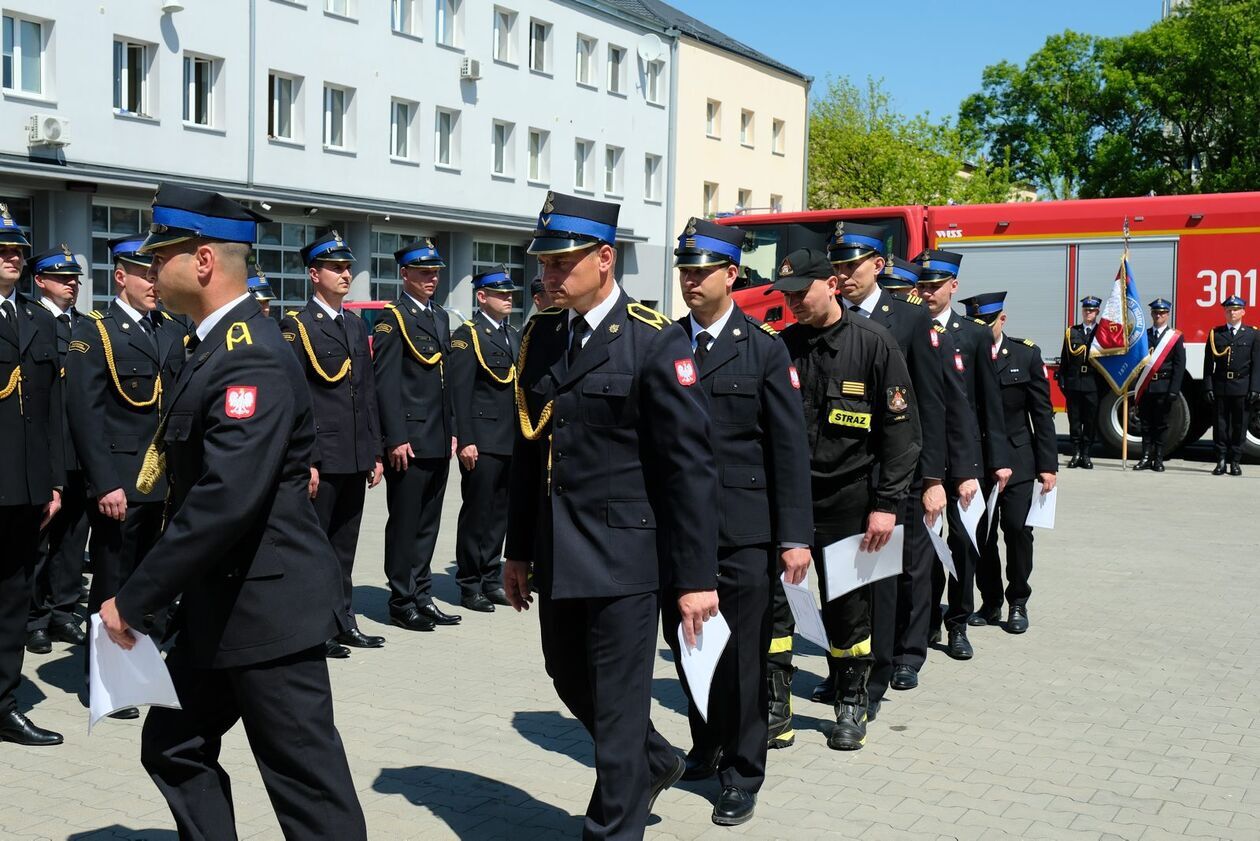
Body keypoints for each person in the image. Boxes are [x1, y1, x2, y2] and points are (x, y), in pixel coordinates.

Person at [99, 183, 366, 840]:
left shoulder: (250, 352)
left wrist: (132, 599)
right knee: (172, 744)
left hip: (270, 614)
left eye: (159, 256)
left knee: (310, 794)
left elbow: (225, 499)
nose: (148, 270)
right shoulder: (209, 345)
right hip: (217, 609)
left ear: (202, 262)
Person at [504, 192, 719, 839]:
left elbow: (689, 470)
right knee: (567, 676)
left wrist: (695, 578)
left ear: (604, 259)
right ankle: (655, 759)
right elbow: (529, 451)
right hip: (559, 553)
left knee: (620, 711)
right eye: (542, 263)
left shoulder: (653, 341)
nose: (545, 276)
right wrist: (518, 548)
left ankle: (613, 825)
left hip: (627, 559)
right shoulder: (540, 336)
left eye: (560, 263)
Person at [662, 218, 811, 826]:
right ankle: (705, 741)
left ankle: (742, 770)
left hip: (744, 529)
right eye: (685, 272)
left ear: (731, 274)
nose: (691, 282)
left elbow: (788, 450)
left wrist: (795, 536)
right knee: (691, 647)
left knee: (745, 658)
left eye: (702, 272)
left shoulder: (764, 348)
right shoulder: (665, 344)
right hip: (678, 529)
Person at [767, 247, 921, 752]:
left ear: (830, 284)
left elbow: (901, 433)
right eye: (786, 295)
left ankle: (851, 703)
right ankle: (775, 708)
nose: (792, 303)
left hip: (851, 498)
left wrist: (887, 504)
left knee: (848, 607)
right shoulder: (781, 346)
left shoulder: (873, 344)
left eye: (800, 293)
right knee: (777, 606)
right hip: (789, 499)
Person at [826, 224, 949, 718]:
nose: (843, 275)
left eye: (851, 265)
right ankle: (844, 671)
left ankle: (885, 670)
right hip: (840, 472)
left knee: (886, 575)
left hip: (896, 468)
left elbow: (930, 403)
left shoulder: (911, 319)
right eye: (837, 266)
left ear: (878, 265)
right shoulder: (831, 316)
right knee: (842, 577)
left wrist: (936, 477)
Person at [65, 235, 188, 717]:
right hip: (122, 482)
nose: (155, 283)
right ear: (121, 277)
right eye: (146, 274)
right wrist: (104, 482)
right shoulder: (97, 331)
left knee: (149, 577)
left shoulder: (170, 329)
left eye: (158, 273)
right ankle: (107, 681)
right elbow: (85, 415)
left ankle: (138, 664)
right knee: (113, 579)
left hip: (163, 481)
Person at [870, 255, 983, 693]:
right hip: (871, 466)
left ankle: (908, 653)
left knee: (916, 567)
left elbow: (944, 407)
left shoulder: (924, 329)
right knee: (873, 566)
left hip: (917, 465)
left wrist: (944, 476)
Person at [280, 231, 385, 658]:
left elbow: (368, 392)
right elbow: (295, 398)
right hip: (322, 455)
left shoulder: (356, 324)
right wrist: (306, 460)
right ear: (314, 274)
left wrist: (375, 450)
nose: (345, 275)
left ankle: (344, 620)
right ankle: (314, 627)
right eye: (336, 268)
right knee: (316, 546)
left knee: (345, 545)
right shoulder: (297, 326)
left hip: (355, 453)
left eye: (347, 268)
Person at [913, 250, 1010, 661]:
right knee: (924, 549)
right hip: (923, 458)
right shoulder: (909, 327)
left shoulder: (972, 335)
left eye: (937, 285)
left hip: (965, 459)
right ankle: (926, 620)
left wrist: (996, 460)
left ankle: (958, 623)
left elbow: (989, 405)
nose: (929, 292)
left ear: (953, 286)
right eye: (924, 285)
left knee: (963, 546)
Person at [0, 208, 65, 747]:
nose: (13, 258)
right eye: (3, 251)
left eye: (18, 250)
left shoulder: (37, 319)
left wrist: (54, 484)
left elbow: (51, 411)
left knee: (13, 599)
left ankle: (3, 703)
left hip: (24, 488)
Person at [373, 239, 461, 631]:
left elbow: (446, 383)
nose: (432, 278)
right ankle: (401, 599)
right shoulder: (394, 318)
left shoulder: (440, 317)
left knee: (428, 524)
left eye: (436, 272)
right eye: (424, 272)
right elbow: (386, 382)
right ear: (404, 274)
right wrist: (394, 437)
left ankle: (422, 595)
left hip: (438, 438)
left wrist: (454, 431)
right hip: (409, 439)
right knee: (405, 523)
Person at [960, 293, 1057, 635]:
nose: (982, 331)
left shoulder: (1024, 354)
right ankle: (991, 601)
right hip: (979, 460)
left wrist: (1048, 465)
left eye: (987, 323)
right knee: (982, 535)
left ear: (1001, 320)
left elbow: (1041, 414)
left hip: (1018, 460)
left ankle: (1018, 599)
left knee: (1017, 530)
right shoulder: (964, 355)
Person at [26, 244, 89, 655]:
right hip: (45, 444)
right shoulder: (30, 322)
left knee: (73, 535)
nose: (71, 285)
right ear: (40, 281)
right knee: (39, 537)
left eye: (74, 279)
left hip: (80, 446)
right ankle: (34, 618)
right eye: (62, 278)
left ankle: (64, 610)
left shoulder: (85, 326)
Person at [448, 265, 520, 612]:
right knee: (477, 514)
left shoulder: (513, 336)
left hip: (509, 440)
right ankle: (468, 582)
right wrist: (464, 439)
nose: (508, 299)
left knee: (499, 516)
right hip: (482, 440)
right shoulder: (468, 335)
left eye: (509, 294)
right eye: (500, 294)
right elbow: (459, 392)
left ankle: (491, 578)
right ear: (482, 297)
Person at [1203, 295, 1260, 476]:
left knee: (1239, 425)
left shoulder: (1253, 334)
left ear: (1243, 311)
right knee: (1220, 426)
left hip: (1242, 387)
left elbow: (1257, 365)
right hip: (1220, 386)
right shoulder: (1216, 334)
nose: (1232, 312)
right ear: (1224, 312)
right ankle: (1220, 460)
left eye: (1235, 309)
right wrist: (1208, 387)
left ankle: (1235, 461)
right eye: (1228, 310)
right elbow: (1207, 365)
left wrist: (1255, 388)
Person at [1135, 299, 1185, 472]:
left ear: (1168, 314)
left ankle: (1158, 458)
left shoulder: (1175, 337)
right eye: (1156, 313)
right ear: (1151, 314)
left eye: (1162, 313)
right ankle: (1145, 457)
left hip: (1164, 387)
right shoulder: (1144, 335)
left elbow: (1179, 366)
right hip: (1146, 387)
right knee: (1145, 424)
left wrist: (1174, 390)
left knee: (1161, 424)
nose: (1159, 316)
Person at [1058, 296, 1105, 469]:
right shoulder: (1073, 332)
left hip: (1093, 383)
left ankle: (1086, 454)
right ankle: (1076, 452)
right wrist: (1062, 381)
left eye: (1092, 310)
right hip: (1074, 382)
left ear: (1097, 312)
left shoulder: (1103, 333)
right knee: (1075, 420)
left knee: (1090, 421)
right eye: (1086, 310)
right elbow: (1065, 359)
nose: (1088, 313)